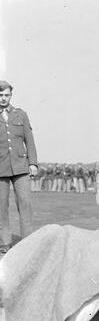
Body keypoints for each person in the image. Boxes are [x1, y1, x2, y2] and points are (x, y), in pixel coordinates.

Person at [0, 80, 38, 254]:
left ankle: (27, 242)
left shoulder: (20, 115)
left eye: (6, 95)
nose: (3, 98)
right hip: (1, 168)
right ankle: (5, 243)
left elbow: (29, 140)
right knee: (1, 207)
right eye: (0, 95)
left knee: (25, 204)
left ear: (11, 96)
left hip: (21, 167)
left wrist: (33, 163)